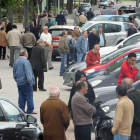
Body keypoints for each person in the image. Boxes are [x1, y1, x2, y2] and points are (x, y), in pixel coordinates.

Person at [13, 49, 37, 114]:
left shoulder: (16, 62)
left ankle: (21, 110)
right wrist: (30, 82)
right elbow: (28, 73)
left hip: (19, 82)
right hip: (26, 82)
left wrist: (17, 80)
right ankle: (30, 110)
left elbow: (14, 73)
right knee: (29, 96)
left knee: (21, 96)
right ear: (25, 54)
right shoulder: (26, 62)